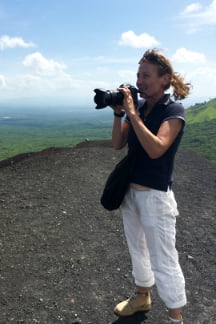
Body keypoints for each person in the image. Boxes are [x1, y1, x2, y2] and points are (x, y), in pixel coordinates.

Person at [108, 48, 191, 323]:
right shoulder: (141, 108)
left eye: (146, 76)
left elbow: (157, 149)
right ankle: (142, 296)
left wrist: (133, 114)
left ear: (164, 79)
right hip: (131, 192)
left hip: (156, 196)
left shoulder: (174, 111)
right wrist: (120, 114)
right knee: (137, 249)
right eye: (138, 75)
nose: (139, 81)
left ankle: (175, 317)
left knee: (164, 258)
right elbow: (118, 144)